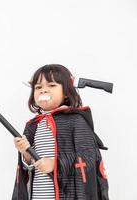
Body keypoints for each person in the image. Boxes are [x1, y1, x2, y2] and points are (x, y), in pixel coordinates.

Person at [12, 64, 109, 200]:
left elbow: (88, 156)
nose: (43, 90)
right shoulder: (33, 125)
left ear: (65, 92)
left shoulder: (76, 120)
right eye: (38, 87)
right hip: (39, 195)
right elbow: (28, 166)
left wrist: (54, 164)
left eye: (51, 85)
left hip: (67, 194)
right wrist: (25, 152)